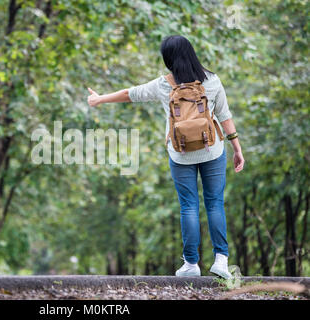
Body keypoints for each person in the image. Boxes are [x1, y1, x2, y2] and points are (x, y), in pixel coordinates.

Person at [86, 35, 245, 279]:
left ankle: (191, 264)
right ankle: (221, 261)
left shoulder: (163, 85)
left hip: (180, 154)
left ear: (168, 59)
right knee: (214, 203)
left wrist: (100, 99)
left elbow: (131, 93)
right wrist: (237, 148)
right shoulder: (212, 81)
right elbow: (225, 117)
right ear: (191, 53)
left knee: (188, 206)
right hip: (212, 150)